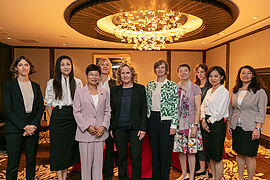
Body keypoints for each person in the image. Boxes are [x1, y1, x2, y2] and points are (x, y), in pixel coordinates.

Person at [2, 56, 44, 180]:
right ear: (15, 68)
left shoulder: (36, 86)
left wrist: (33, 126)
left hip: (33, 128)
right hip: (14, 129)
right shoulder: (8, 85)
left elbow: (40, 107)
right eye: (20, 65)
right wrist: (24, 127)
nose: (24, 67)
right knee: (13, 164)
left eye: (26, 65)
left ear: (30, 68)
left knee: (31, 162)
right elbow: (8, 110)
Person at [44, 55, 82, 180]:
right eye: (63, 64)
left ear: (71, 66)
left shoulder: (77, 82)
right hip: (58, 117)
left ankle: (64, 177)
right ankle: (60, 178)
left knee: (68, 149)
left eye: (68, 64)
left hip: (72, 117)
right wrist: (53, 120)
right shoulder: (52, 82)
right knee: (58, 149)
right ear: (58, 67)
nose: (66, 67)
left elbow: (81, 102)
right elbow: (48, 104)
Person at [227, 65, 267, 180]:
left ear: (253, 75)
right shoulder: (235, 91)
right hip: (237, 127)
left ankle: (249, 178)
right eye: (243, 73)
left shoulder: (259, 92)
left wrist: (257, 128)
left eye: (248, 73)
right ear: (239, 75)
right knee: (239, 154)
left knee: (249, 156)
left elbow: (261, 111)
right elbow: (231, 109)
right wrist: (229, 125)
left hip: (251, 128)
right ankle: (240, 177)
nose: (245, 75)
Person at [73, 64, 111, 180]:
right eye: (91, 75)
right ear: (87, 76)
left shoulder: (104, 92)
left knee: (98, 166)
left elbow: (108, 110)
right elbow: (76, 112)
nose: (94, 77)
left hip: (100, 133)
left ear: (99, 76)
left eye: (96, 75)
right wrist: (87, 127)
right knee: (85, 166)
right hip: (85, 134)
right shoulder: (79, 92)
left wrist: (103, 127)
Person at [110, 63, 147, 180]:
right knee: (121, 156)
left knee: (136, 156)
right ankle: (123, 177)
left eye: (127, 73)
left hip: (135, 128)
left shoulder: (140, 88)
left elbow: (144, 109)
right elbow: (112, 110)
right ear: (119, 75)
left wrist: (143, 128)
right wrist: (111, 127)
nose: (125, 75)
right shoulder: (114, 90)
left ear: (132, 74)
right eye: (122, 73)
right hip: (119, 128)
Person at [146, 59, 178, 180]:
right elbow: (147, 104)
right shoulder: (150, 85)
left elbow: (176, 105)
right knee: (154, 151)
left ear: (166, 70)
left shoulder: (172, 85)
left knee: (165, 152)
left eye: (162, 67)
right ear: (155, 70)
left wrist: (174, 125)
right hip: (152, 119)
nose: (160, 69)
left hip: (166, 120)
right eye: (157, 67)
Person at [173, 64, 203, 180]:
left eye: (186, 71)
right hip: (179, 124)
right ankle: (184, 174)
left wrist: (195, 125)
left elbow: (198, 108)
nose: (183, 73)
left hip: (191, 124)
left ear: (190, 73)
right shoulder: (176, 87)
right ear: (178, 73)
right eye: (181, 71)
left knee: (191, 151)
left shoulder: (195, 88)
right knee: (181, 151)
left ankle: (192, 176)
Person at [201, 66, 229, 180]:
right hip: (206, 122)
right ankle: (213, 177)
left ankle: (218, 178)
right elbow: (203, 107)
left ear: (221, 77)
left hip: (216, 125)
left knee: (217, 156)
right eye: (211, 76)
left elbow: (221, 111)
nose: (213, 78)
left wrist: (208, 121)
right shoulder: (209, 90)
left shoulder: (224, 92)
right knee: (210, 155)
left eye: (216, 76)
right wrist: (203, 120)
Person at [97, 58, 117, 180]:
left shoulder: (114, 83)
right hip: (96, 120)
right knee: (96, 149)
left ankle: (108, 176)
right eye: (102, 65)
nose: (104, 67)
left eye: (107, 65)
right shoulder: (93, 81)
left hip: (110, 119)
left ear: (110, 67)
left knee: (109, 150)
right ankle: (96, 174)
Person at [194, 63, 211, 177]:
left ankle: (210, 167)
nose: (200, 74)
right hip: (196, 117)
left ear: (206, 72)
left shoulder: (211, 86)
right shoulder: (195, 85)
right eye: (198, 72)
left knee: (208, 143)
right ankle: (201, 167)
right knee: (199, 143)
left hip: (207, 117)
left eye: (202, 71)